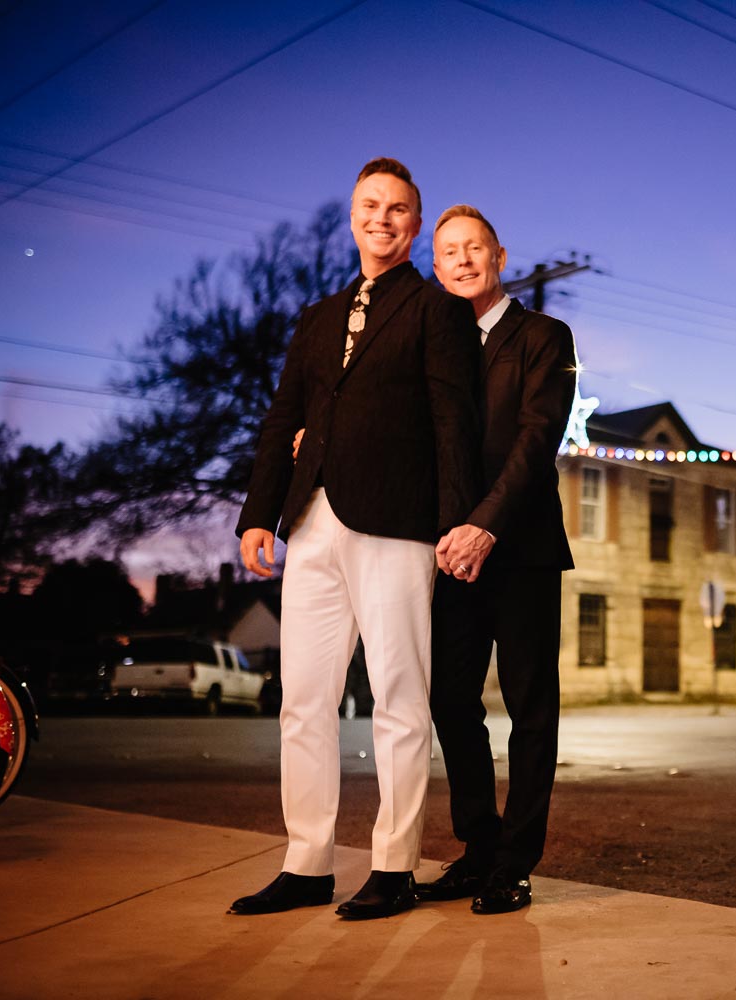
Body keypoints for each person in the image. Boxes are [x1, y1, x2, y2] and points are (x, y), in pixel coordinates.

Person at [229, 159, 481, 920]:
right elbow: (282, 421)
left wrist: (457, 520)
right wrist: (256, 514)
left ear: (415, 222)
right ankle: (306, 864)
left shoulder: (437, 312)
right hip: (310, 525)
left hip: (399, 527)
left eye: (399, 209)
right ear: (351, 217)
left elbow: (452, 424)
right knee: (303, 700)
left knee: (400, 699)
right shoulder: (316, 316)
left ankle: (395, 867)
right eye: (370, 205)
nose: (383, 218)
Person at [416, 204, 577, 914]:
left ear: (499, 256)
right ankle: (479, 848)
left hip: (522, 550)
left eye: (472, 248)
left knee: (529, 706)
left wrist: (484, 526)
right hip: (448, 556)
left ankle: (515, 863)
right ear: (435, 264)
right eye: (447, 251)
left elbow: (536, 440)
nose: (461, 260)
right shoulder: (433, 345)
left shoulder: (544, 336)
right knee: (449, 699)